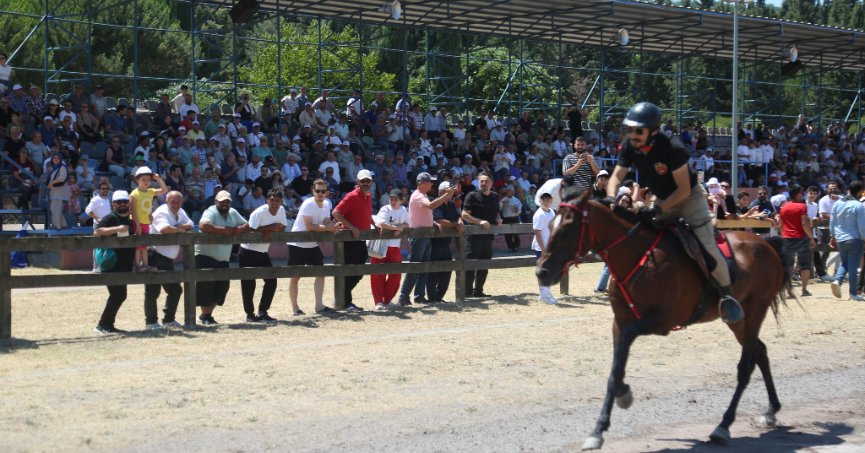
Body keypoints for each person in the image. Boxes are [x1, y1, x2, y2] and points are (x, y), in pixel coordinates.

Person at [606, 102, 743, 324]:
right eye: (629, 129)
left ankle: (727, 296)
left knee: (706, 245)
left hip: (690, 199)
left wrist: (658, 209)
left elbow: (683, 190)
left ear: (653, 131)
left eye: (638, 130)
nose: (633, 134)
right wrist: (612, 198)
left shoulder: (672, 147)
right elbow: (615, 177)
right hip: (662, 198)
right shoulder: (630, 146)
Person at [397, 172, 456, 306]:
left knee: (423, 267)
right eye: (429, 182)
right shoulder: (418, 195)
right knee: (416, 266)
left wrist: (433, 223)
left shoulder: (422, 195)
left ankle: (418, 296)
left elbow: (426, 211)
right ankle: (404, 296)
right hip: (419, 235)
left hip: (424, 234)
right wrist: (446, 195)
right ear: (423, 183)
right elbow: (430, 206)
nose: (432, 184)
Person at [196, 191, 250, 325]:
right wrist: (224, 231)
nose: (224, 204)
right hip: (205, 254)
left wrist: (238, 230)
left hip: (223, 257)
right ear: (216, 202)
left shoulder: (233, 212)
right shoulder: (211, 211)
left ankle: (206, 315)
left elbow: (247, 224)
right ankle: (206, 315)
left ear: (230, 202)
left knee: (222, 286)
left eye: (227, 202)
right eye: (221, 202)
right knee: (206, 286)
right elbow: (203, 225)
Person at [287, 179, 340, 315]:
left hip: (312, 244)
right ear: (313, 191)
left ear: (327, 192)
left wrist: (333, 227)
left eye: (323, 191)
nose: (320, 194)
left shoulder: (327, 203)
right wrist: (329, 228)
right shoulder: (308, 204)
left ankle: (319, 305)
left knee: (321, 273)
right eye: (318, 191)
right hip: (297, 244)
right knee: (295, 277)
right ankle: (295, 308)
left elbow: (326, 221)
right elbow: (310, 226)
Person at [143, 191, 194, 330]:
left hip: (167, 258)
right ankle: (151, 322)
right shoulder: (162, 212)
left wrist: (179, 228)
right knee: (153, 290)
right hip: (155, 255)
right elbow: (164, 229)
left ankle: (168, 320)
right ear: (167, 201)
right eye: (173, 201)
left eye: (178, 201)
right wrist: (180, 229)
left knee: (175, 290)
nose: (176, 204)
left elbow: (191, 224)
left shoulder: (181, 211)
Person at [239, 188, 288, 322]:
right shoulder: (259, 212)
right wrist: (270, 227)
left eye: (277, 200)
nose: (274, 203)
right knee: (249, 283)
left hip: (263, 251)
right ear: (267, 200)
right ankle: (249, 314)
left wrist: (272, 230)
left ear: (281, 202)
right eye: (272, 200)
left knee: (271, 280)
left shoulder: (282, 210)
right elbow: (250, 230)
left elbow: (282, 227)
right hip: (247, 251)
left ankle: (262, 312)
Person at [332, 169, 375, 312]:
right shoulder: (351, 196)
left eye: (368, 181)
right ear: (357, 182)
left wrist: (374, 224)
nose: (365, 183)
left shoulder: (367, 196)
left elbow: (366, 214)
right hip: (349, 239)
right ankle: (345, 301)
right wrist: (351, 227)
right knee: (351, 269)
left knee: (358, 270)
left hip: (360, 239)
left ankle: (343, 298)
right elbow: (336, 212)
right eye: (363, 181)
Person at [93, 190, 136, 334]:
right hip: (111, 263)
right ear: (113, 205)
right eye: (119, 202)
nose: (122, 204)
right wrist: (116, 229)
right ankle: (103, 325)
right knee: (118, 295)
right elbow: (97, 232)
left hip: (125, 264)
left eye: (125, 202)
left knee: (119, 295)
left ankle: (107, 324)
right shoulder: (110, 218)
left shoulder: (130, 221)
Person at [461, 172, 502, 298]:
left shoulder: (495, 196)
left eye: (486, 181)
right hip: (473, 237)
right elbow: (464, 215)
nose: (483, 183)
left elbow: (496, 213)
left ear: (491, 183)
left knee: (484, 265)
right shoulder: (472, 196)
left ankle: (478, 291)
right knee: (470, 265)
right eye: (481, 181)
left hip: (488, 237)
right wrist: (480, 222)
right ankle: (467, 293)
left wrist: (498, 219)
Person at [371, 189, 409, 310]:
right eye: (391, 199)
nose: (392, 201)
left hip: (394, 247)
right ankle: (378, 302)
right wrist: (395, 228)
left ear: (401, 201)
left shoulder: (403, 210)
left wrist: (401, 227)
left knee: (396, 274)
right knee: (378, 274)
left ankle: (386, 300)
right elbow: (380, 223)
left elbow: (408, 223)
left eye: (395, 199)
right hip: (381, 245)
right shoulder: (385, 209)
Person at [829, 181, 865, 302]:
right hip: (854, 239)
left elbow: (832, 221)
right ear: (860, 192)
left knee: (845, 264)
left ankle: (837, 281)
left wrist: (833, 236)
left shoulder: (838, 203)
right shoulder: (858, 205)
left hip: (840, 239)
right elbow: (861, 226)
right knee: (853, 267)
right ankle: (853, 293)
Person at [428, 180, 463, 303]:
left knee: (446, 271)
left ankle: (439, 297)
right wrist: (455, 224)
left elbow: (457, 216)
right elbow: (440, 220)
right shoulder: (436, 203)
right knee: (433, 271)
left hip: (446, 243)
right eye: (449, 190)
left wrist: (459, 221)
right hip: (435, 244)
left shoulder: (452, 204)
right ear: (442, 191)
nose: (451, 193)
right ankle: (432, 298)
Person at [779, 186, 815, 298]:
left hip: (787, 238)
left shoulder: (784, 207)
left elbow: (781, 225)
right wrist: (811, 237)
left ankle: (789, 291)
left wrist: (783, 235)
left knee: (787, 266)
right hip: (801, 238)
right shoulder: (802, 206)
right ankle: (804, 289)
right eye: (801, 193)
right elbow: (804, 223)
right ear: (798, 194)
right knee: (805, 264)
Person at [129, 167, 168, 271]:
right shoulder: (134, 193)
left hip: (146, 222)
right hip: (137, 222)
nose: (146, 182)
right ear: (137, 180)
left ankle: (145, 265)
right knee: (138, 246)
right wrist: (137, 224)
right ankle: (138, 266)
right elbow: (132, 210)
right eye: (143, 179)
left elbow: (165, 190)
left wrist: (158, 179)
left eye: (149, 180)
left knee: (144, 245)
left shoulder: (150, 191)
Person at [532, 190, 557, 304]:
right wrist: (543, 249)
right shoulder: (539, 214)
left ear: (551, 200)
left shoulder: (551, 211)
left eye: (548, 199)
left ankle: (547, 293)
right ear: (540, 200)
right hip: (541, 248)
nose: (546, 201)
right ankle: (543, 296)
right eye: (544, 199)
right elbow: (537, 232)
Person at [46, 153, 70, 230]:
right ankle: (63, 225)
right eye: (54, 158)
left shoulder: (62, 167)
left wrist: (52, 183)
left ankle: (56, 226)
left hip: (59, 192)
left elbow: (62, 178)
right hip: (54, 192)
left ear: (60, 159)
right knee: (55, 209)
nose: (56, 159)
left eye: (58, 158)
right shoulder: (54, 168)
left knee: (55, 209)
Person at [499, 184, 523, 252]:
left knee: (516, 234)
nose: (508, 192)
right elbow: (499, 208)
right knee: (507, 234)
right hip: (506, 219)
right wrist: (503, 204)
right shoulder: (503, 199)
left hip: (514, 218)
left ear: (513, 192)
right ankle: (510, 247)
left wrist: (516, 210)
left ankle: (516, 246)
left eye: (510, 191)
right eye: (507, 190)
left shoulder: (517, 200)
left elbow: (519, 211)